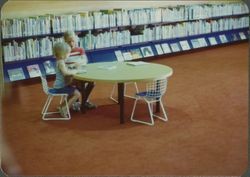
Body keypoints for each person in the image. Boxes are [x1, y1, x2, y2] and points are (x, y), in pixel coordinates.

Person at [63, 30, 96, 109]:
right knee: (80, 84)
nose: (71, 44)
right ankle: (80, 102)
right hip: (69, 76)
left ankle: (84, 102)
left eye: (73, 41)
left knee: (92, 82)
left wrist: (78, 64)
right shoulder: (63, 52)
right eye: (69, 42)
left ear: (76, 40)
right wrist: (74, 64)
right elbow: (63, 65)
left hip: (80, 72)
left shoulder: (80, 50)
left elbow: (85, 61)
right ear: (65, 42)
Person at [53, 42, 81, 117]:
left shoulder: (59, 61)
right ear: (63, 54)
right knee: (77, 94)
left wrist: (71, 67)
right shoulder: (61, 62)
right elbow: (65, 73)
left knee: (71, 93)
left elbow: (64, 70)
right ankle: (65, 109)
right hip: (61, 87)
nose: (69, 55)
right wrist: (74, 71)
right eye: (68, 53)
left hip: (59, 85)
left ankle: (61, 107)